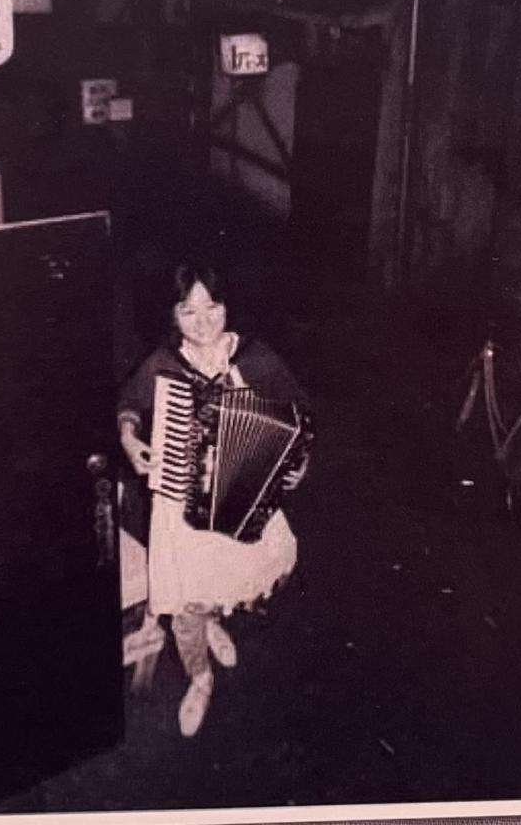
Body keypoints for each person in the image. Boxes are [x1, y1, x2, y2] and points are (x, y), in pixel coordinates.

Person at [116, 261, 312, 737]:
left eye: (213, 308)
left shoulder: (257, 358)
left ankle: (212, 620)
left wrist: (298, 461)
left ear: (228, 307)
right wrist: (129, 437)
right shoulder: (164, 364)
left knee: (233, 581)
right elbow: (130, 404)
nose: (203, 322)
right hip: (179, 507)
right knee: (187, 598)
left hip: (243, 503)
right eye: (188, 311)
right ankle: (199, 676)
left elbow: (299, 413)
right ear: (171, 315)